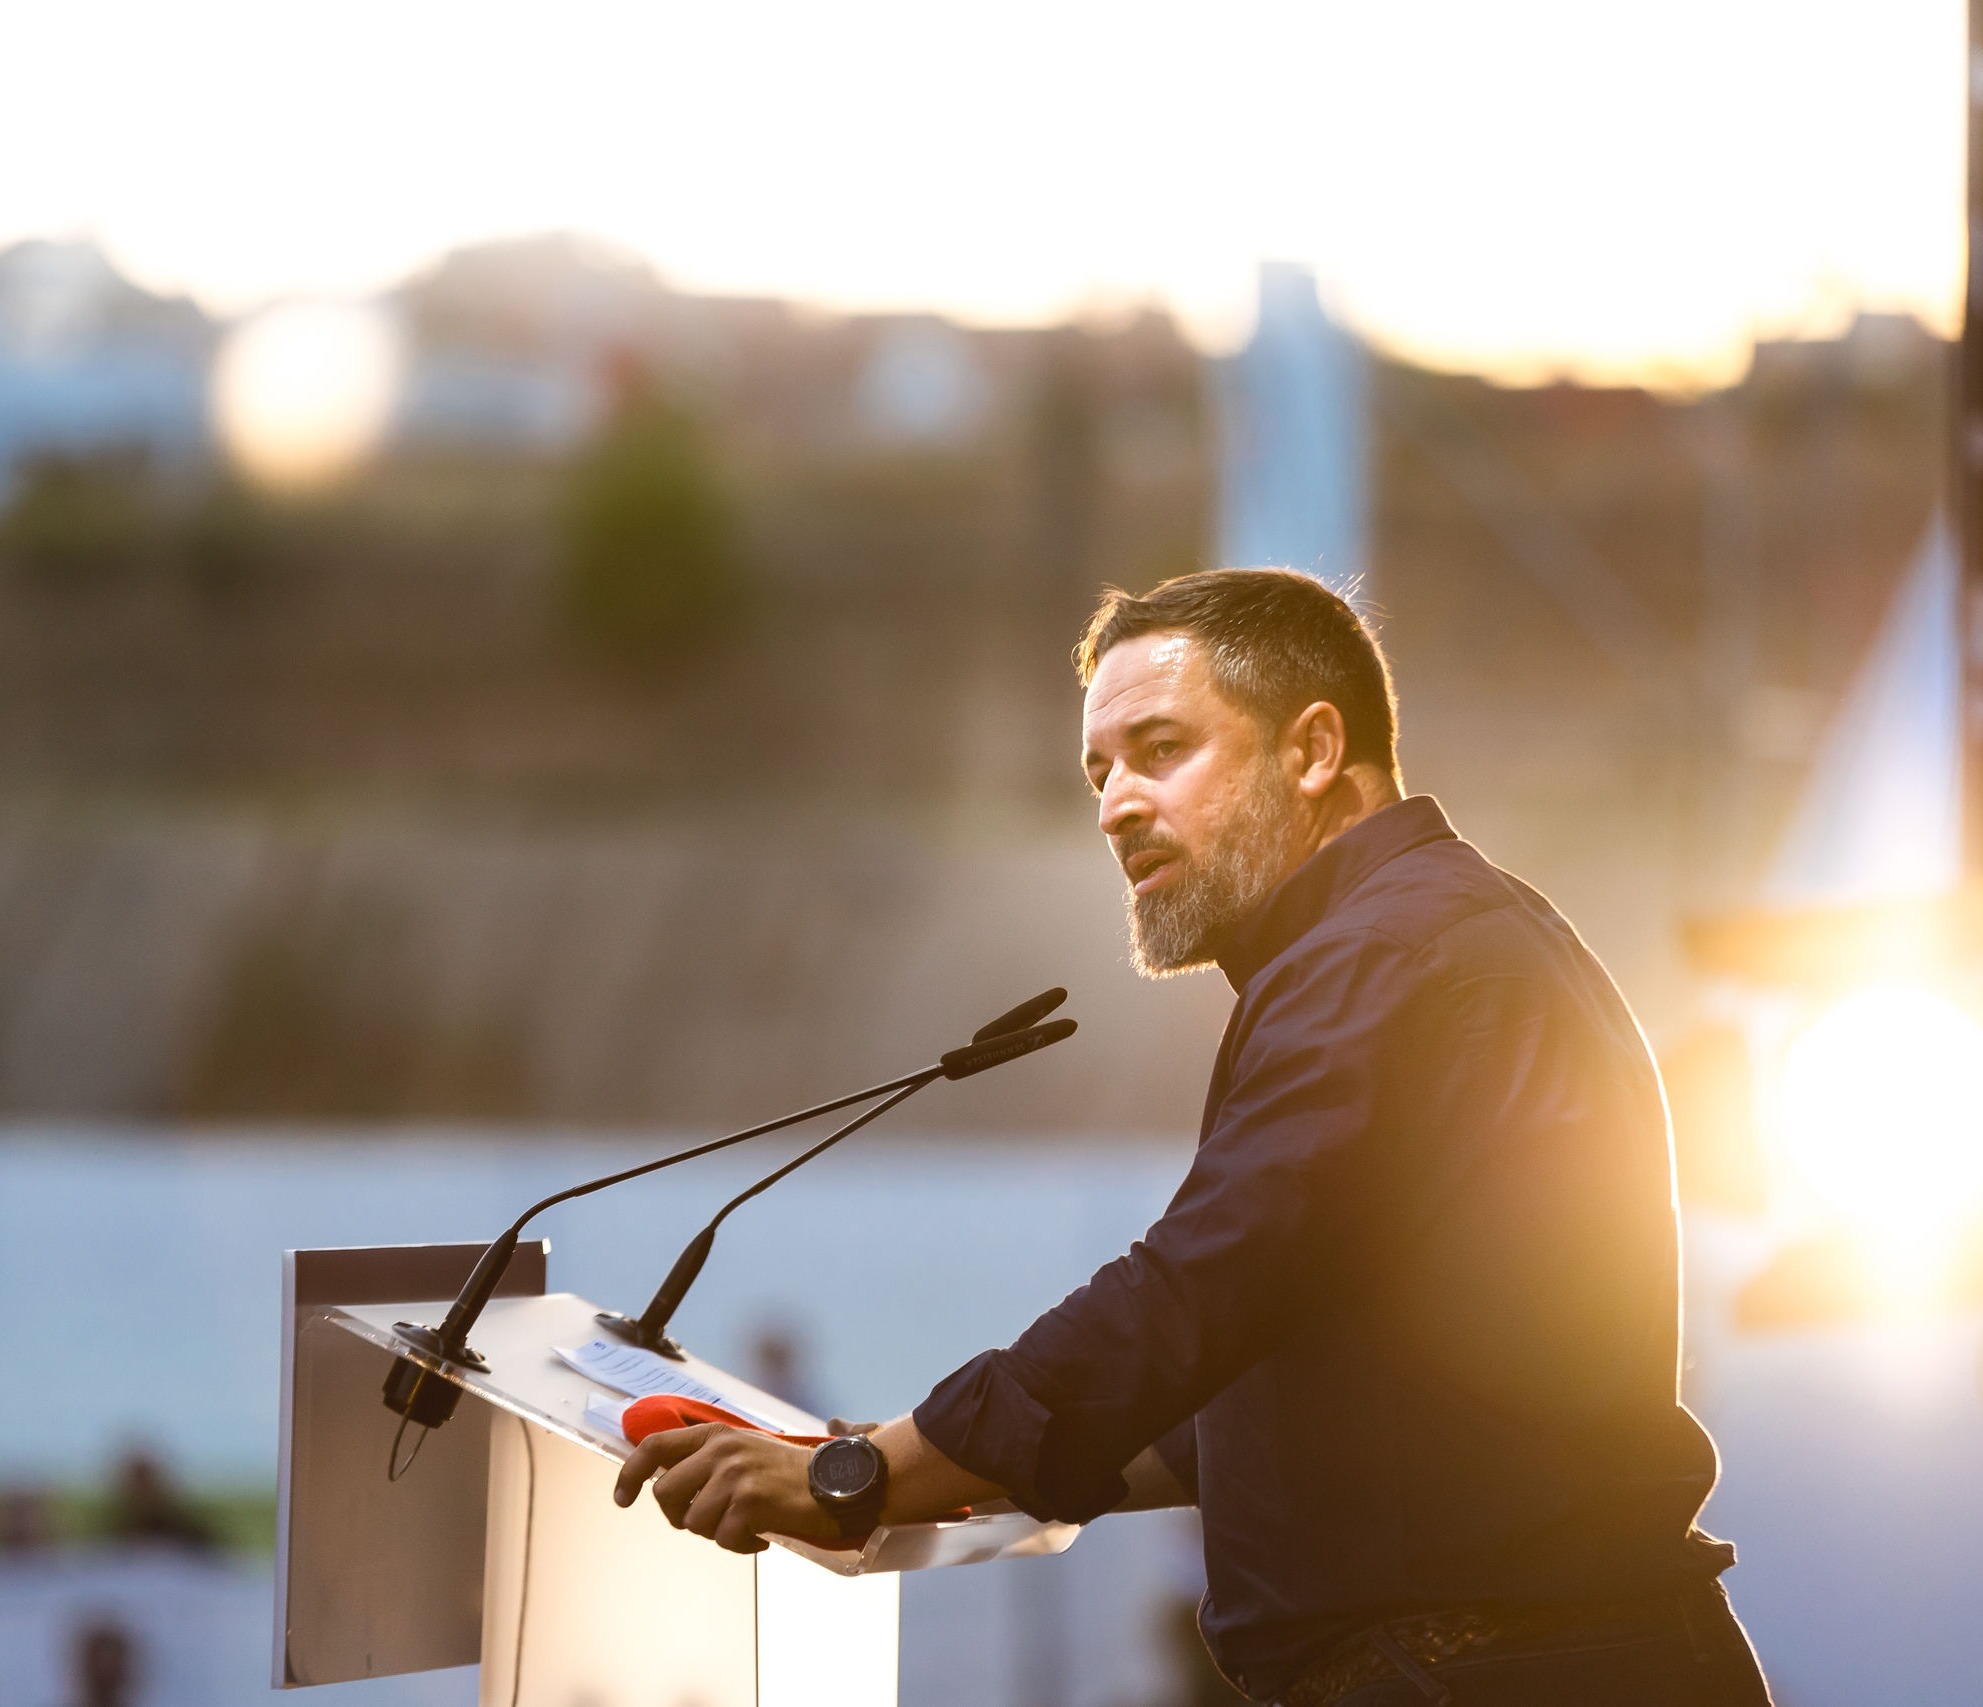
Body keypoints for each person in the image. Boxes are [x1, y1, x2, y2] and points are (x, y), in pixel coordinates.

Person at [614, 568, 1772, 1706]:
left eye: (1161, 750)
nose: (1115, 806)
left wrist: (859, 1477)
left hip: (1497, 1674)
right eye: (1099, 772)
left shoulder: (1381, 954)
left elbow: (1191, 1291)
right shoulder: (1430, 931)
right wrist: (909, 1459)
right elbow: (1286, 1398)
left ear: (1312, 750)